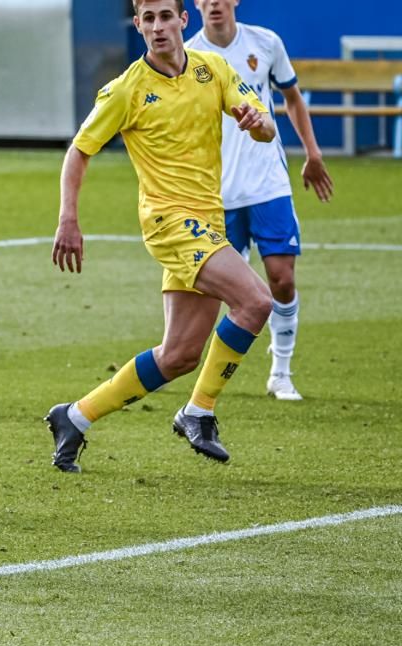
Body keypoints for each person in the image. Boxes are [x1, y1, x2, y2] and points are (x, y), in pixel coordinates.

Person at [46, 0, 277, 472]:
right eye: (147, 19)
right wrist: (68, 218)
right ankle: (200, 412)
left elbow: (263, 126)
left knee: (179, 355)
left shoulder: (213, 69)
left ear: (181, 20)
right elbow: (79, 151)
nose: (157, 27)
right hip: (169, 224)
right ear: (138, 25)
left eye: (164, 17)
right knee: (256, 302)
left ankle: (75, 416)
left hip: (208, 222)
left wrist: (260, 123)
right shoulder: (125, 89)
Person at [187, 0, 334, 401]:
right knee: (214, 290)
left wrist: (313, 153)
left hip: (268, 183)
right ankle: (184, 359)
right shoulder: (190, 55)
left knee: (282, 279)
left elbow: (292, 97)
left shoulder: (266, 43)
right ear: (196, 5)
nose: (214, 4)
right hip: (217, 190)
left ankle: (281, 373)